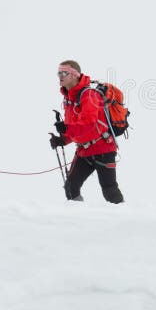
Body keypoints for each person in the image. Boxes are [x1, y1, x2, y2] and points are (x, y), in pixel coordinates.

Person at [49, 60, 124, 204]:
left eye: (64, 73)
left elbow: (89, 124)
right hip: (84, 150)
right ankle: (78, 220)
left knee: (110, 190)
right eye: (58, 73)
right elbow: (75, 127)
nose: (60, 76)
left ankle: (127, 221)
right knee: (71, 187)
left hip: (103, 148)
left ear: (75, 75)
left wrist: (66, 129)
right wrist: (63, 140)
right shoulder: (68, 99)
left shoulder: (89, 95)